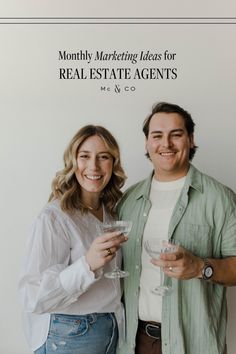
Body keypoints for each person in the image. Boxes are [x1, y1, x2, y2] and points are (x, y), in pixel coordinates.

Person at [118, 102, 236, 354]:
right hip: (135, 342)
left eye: (176, 134)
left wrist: (200, 267)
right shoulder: (127, 201)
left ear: (191, 139)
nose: (166, 144)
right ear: (147, 143)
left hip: (195, 345)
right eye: (157, 135)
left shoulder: (221, 198)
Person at [19, 125, 127, 354]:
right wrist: (86, 265)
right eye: (84, 156)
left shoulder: (112, 213)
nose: (94, 166)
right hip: (71, 334)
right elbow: (33, 296)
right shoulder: (53, 217)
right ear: (72, 162)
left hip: (112, 329)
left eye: (103, 157)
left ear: (113, 164)